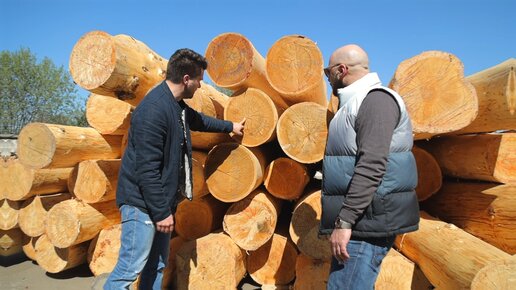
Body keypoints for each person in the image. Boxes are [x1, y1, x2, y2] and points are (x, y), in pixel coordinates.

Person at [104, 48, 245, 290]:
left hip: (159, 204)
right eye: (200, 80)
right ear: (186, 79)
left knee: (156, 265)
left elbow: (199, 120)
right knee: (128, 271)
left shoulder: (176, 105)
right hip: (142, 206)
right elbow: (146, 170)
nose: (201, 86)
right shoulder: (153, 110)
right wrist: (160, 212)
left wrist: (230, 125)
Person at [319, 44, 420, 289]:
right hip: (363, 220)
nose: (327, 77)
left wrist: (345, 222)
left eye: (327, 71)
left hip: (367, 223)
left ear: (341, 70)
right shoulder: (356, 103)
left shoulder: (375, 101)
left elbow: (372, 165)